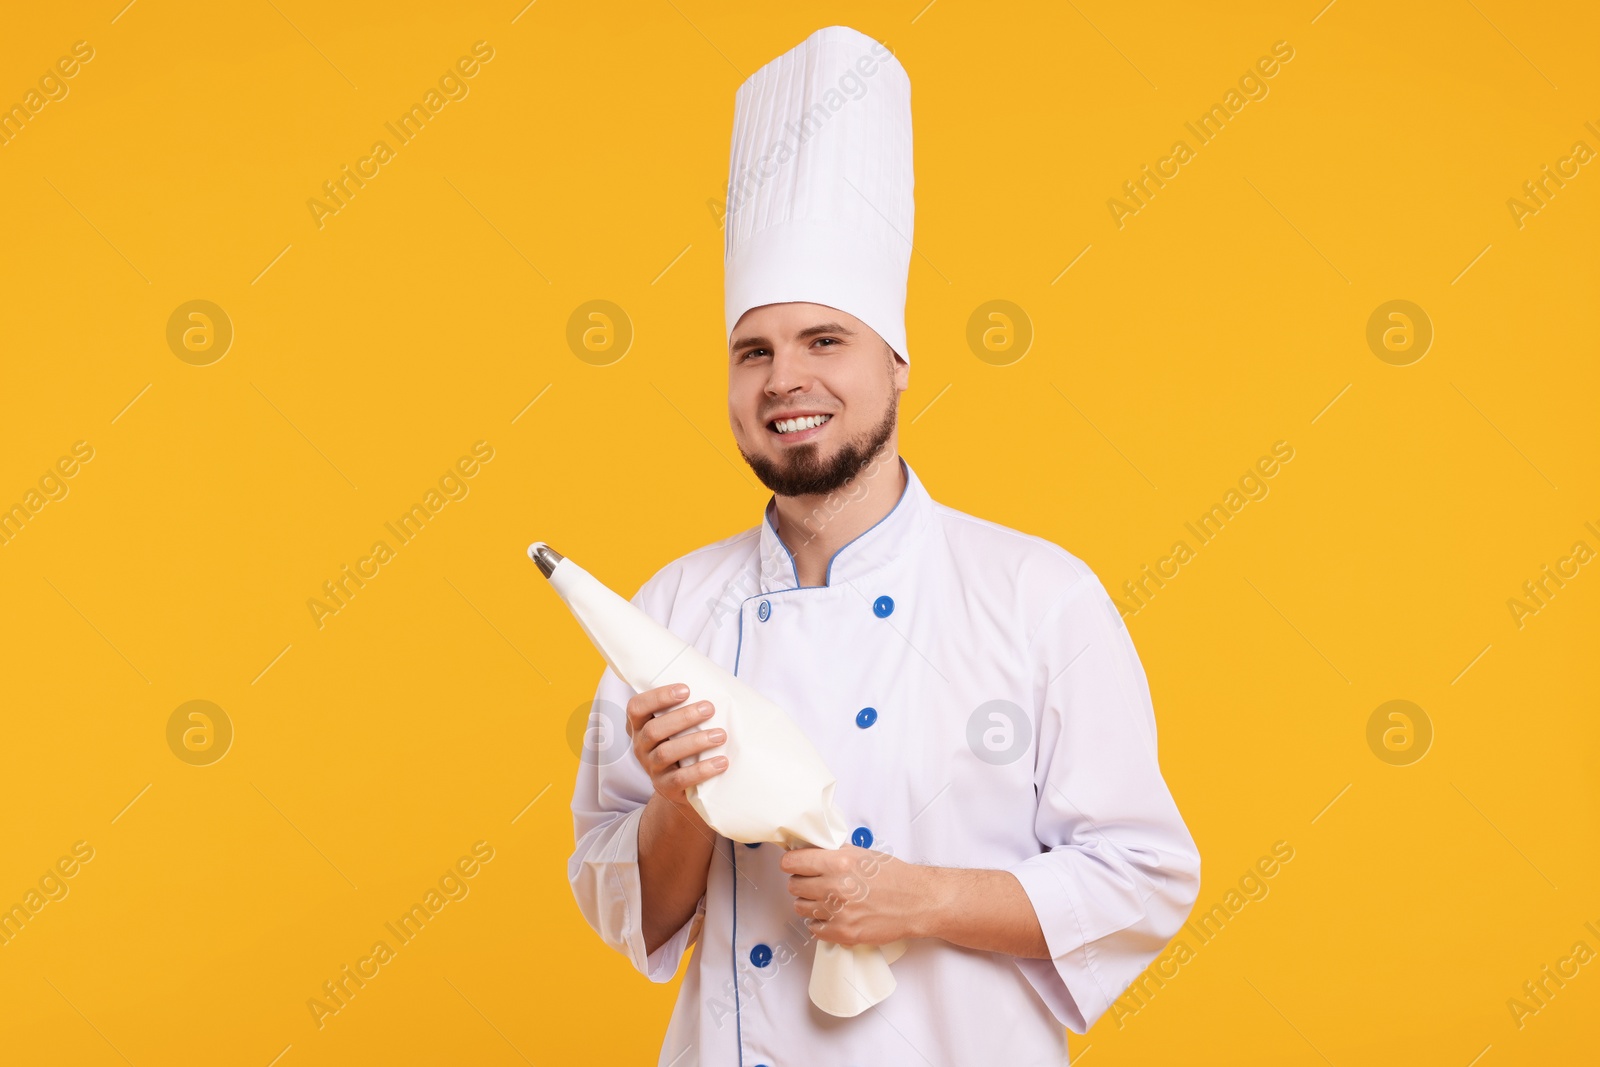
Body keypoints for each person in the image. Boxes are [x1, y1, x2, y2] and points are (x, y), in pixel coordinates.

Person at [568, 25, 1200, 1066]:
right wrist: (681, 800)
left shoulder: (1036, 595)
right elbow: (633, 915)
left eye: (826, 341)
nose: (784, 381)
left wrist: (923, 896)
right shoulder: (668, 611)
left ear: (896, 363)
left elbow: (1142, 871)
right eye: (753, 351)